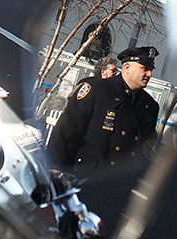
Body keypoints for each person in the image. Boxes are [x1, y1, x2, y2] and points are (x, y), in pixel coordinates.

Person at [47, 47, 160, 179]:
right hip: (85, 177)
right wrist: (54, 168)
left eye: (150, 70)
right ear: (127, 67)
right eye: (144, 69)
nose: (149, 75)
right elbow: (66, 132)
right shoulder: (97, 90)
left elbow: (145, 148)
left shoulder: (150, 106)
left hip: (120, 184)